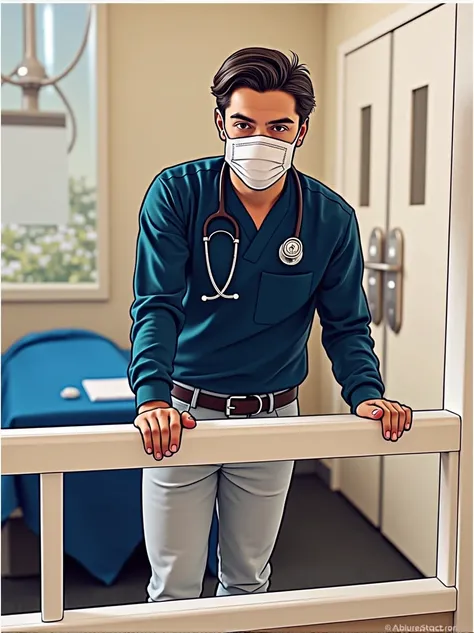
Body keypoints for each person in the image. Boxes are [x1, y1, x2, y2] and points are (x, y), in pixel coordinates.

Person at [128, 47, 413, 602]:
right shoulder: (178, 195)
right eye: (244, 123)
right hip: (181, 416)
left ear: (300, 131)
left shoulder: (329, 219)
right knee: (172, 591)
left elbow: (347, 323)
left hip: (272, 417)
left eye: (279, 125)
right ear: (221, 124)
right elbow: (155, 304)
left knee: (250, 583)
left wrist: (365, 393)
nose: (261, 138)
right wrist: (152, 399)